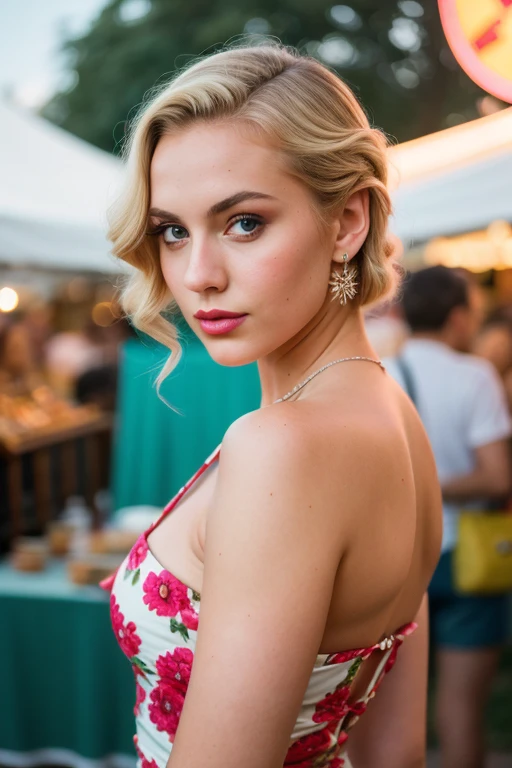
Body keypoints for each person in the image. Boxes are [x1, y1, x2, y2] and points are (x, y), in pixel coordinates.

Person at [102, 44, 442, 768]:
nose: (198, 276)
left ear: (348, 222)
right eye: (173, 231)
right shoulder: (396, 418)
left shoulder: (284, 444)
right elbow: (399, 750)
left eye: (244, 222)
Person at [386, 266, 512, 768]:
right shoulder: (475, 376)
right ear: (459, 317)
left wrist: (409, 489)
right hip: (467, 561)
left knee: (385, 717)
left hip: (394, 561)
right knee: (461, 711)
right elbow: (498, 477)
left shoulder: (375, 371)